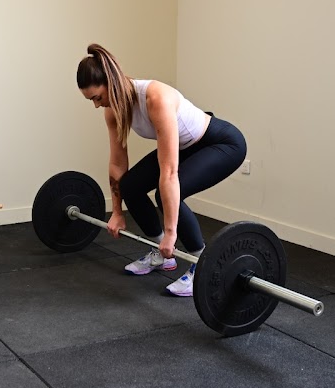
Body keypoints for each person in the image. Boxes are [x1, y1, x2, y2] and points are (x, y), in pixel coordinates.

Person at [76, 43, 246, 297]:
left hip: (221, 143)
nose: (96, 105)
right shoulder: (113, 111)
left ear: (110, 83)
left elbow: (168, 173)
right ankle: (162, 254)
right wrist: (117, 211)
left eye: (97, 98)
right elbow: (117, 163)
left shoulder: (155, 98)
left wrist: (171, 232)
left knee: (170, 194)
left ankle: (202, 263)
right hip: (185, 146)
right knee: (130, 185)